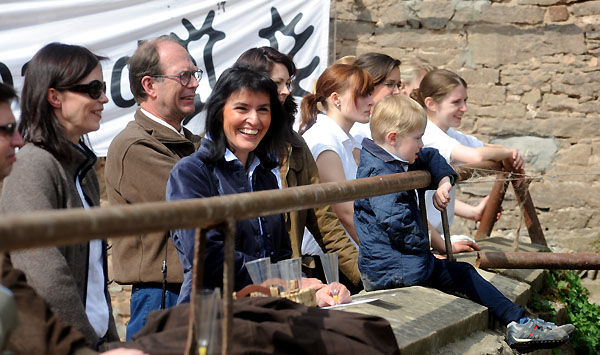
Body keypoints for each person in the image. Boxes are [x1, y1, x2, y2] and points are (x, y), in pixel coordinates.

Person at [353, 94, 574, 353]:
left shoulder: (392, 157)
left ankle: (518, 322)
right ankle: (517, 322)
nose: (421, 143)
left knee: (464, 273)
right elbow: (395, 221)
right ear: (393, 138)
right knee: (463, 274)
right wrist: (422, 246)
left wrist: (444, 181)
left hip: (402, 262)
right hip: (394, 270)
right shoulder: (380, 173)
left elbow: (431, 156)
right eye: (417, 138)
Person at [167, 64, 350, 307]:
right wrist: (281, 284)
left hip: (267, 311)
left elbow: (282, 256)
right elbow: (207, 259)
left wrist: (314, 290)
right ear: (220, 111)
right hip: (213, 317)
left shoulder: (265, 174)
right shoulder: (192, 173)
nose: (253, 120)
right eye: (242, 108)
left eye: (263, 110)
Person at [0, 82, 147, 355]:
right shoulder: (34, 166)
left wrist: (106, 345)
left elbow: (29, 304)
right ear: (54, 96)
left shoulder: (83, 169)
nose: (103, 98)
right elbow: (47, 282)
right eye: (92, 88)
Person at [235, 47, 361, 289]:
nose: (285, 91)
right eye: (277, 83)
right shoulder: (223, 152)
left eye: (288, 83)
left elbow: (323, 218)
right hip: (240, 287)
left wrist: (367, 275)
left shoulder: (295, 146)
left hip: (287, 280)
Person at [105, 36, 202, 340]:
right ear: (150, 85)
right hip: (162, 294)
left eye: (194, 74)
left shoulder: (188, 141)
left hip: (190, 285)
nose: (194, 84)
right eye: (183, 76)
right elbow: (200, 202)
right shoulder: (135, 145)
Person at [413, 69, 523, 254]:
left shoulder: (447, 133)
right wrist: (506, 152)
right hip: (423, 236)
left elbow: (483, 146)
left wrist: (506, 152)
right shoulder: (428, 133)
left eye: (465, 101)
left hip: (432, 234)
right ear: (431, 103)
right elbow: (476, 156)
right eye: (456, 102)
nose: (464, 108)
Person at [299, 64, 374, 248]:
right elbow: (345, 212)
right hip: (328, 261)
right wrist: (384, 258)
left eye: (370, 94)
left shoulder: (348, 139)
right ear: (336, 99)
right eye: (362, 94)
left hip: (348, 254)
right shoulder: (324, 140)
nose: (371, 101)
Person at [349, 52, 402, 145]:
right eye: (390, 84)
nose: (397, 91)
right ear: (368, 83)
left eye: (398, 85)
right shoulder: (355, 129)